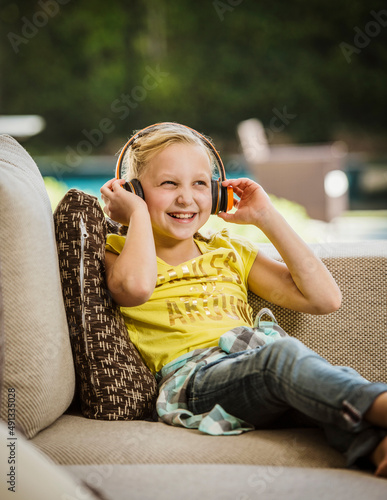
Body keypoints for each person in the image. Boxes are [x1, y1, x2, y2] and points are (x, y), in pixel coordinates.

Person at [100, 122, 387, 477]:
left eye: (200, 184)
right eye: (168, 183)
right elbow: (136, 288)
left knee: (318, 390)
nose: (186, 198)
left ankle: (377, 449)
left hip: (255, 366)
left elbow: (325, 299)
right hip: (196, 380)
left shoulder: (229, 251)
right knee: (282, 356)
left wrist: (266, 217)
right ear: (134, 192)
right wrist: (138, 215)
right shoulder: (118, 253)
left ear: (218, 194)